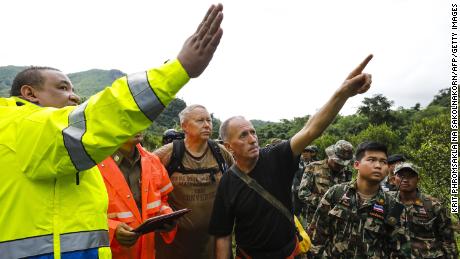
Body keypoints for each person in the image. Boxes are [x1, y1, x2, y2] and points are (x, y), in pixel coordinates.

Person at [0, 4, 224, 258]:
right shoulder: (22, 126)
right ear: (29, 93)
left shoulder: (68, 153)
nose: (74, 97)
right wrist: (178, 70)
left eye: (73, 89)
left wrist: (161, 217)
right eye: (63, 88)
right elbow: (101, 118)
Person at [209, 54, 374, 259]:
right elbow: (223, 236)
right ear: (228, 146)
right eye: (243, 135)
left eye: (253, 132)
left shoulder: (275, 157)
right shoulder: (228, 183)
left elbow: (311, 129)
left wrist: (343, 93)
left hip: (290, 253)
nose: (252, 139)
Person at [154, 104, 234, 259]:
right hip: (174, 246)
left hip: (213, 244)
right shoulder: (166, 154)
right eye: (200, 121)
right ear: (184, 126)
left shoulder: (220, 153)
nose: (206, 125)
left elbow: (237, 181)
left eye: (209, 120)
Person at [307, 141, 398, 258]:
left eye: (383, 162)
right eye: (371, 160)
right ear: (356, 165)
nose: (378, 165)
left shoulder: (393, 205)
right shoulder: (336, 193)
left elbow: (396, 248)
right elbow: (317, 235)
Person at [97, 133, 177, 259]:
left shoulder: (153, 161)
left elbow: (162, 200)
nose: (138, 126)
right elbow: (79, 213)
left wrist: (166, 215)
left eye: (140, 119)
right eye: (128, 119)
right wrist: (112, 230)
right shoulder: (91, 166)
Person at [388, 162, 458, 258]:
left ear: (418, 180)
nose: (405, 180)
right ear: (393, 179)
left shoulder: (433, 206)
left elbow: (448, 242)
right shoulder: (386, 203)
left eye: (410, 176)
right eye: (401, 176)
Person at [297, 140, 353, 226]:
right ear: (330, 156)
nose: (340, 166)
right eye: (337, 162)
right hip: (314, 220)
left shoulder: (347, 172)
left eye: (343, 164)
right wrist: (326, 203)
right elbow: (303, 193)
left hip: (336, 222)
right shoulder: (313, 167)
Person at [292, 145, 319, 217]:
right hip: (297, 191)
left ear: (311, 153)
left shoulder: (316, 164)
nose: (305, 153)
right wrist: (298, 188)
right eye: (303, 151)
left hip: (310, 193)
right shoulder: (296, 162)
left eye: (307, 151)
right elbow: (295, 177)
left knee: (308, 212)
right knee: (296, 210)